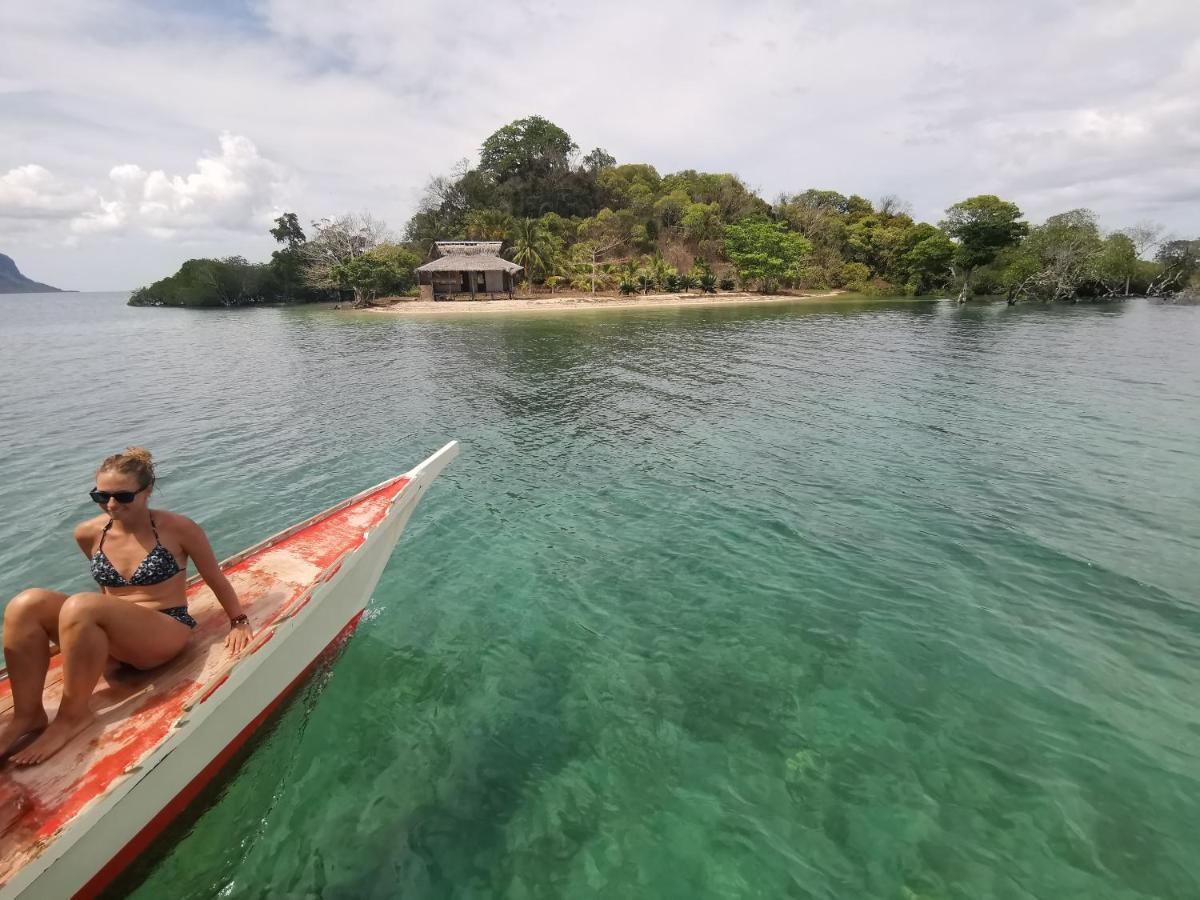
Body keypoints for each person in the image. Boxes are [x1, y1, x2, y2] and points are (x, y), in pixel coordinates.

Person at [0, 447, 252, 765]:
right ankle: (27, 714)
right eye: (101, 497)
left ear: (146, 491)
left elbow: (214, 576)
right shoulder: (88, 534)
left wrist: (239, 620)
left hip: (164, 629)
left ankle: (72, 717)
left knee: (82, 606)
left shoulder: (178, 529)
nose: (111, 505)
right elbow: (106, 590)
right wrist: (81, 634)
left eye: (122, 496)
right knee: (26, 604)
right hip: (116, 633)